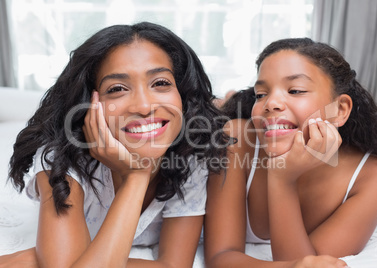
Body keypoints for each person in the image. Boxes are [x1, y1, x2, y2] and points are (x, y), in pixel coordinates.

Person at [1, 22, 229, 267]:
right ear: (89, 102)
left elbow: (173, 265)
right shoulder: (61, 160)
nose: (143, 106)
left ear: (182, 94)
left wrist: (55, 258)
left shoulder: (190, 155)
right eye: (117, 89)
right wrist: (137, 175)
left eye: (160, 83)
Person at [204, 38, 377, 267]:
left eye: (295, 90)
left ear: (340, 109)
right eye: (260, 94)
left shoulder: (376, 174)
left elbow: (307, 261)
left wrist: (282, 179)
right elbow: (221, 257)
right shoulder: (235, 139)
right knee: (216, 112)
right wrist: (282, 175)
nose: (271, 103)